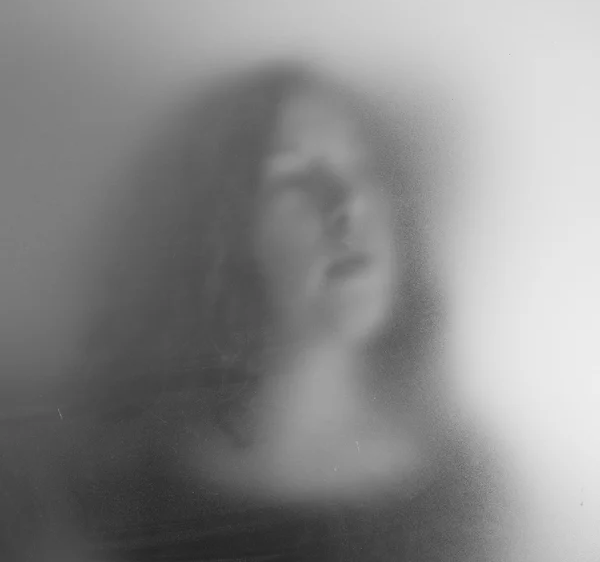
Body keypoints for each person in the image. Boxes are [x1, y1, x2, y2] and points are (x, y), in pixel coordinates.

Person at [70, 60, 516, 561]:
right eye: (294, 178)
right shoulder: (138, 488)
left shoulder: (457, 484)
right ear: (222, 231)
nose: (347, 206)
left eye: (363, 168)